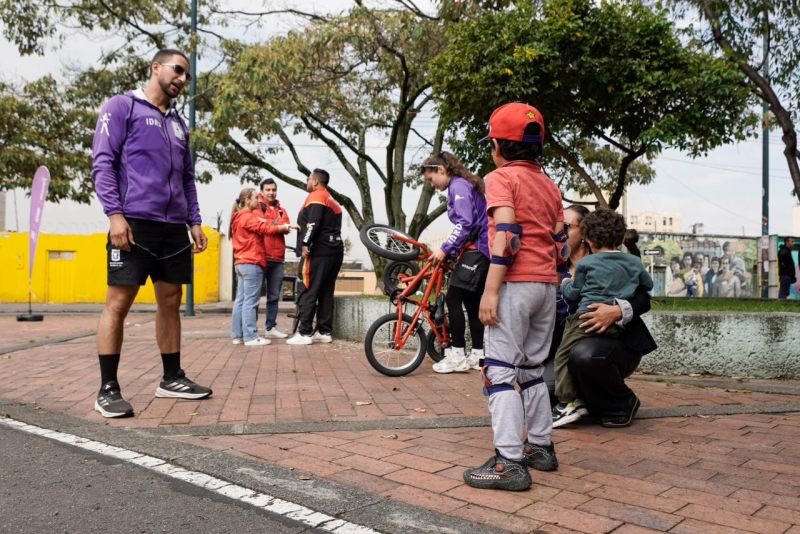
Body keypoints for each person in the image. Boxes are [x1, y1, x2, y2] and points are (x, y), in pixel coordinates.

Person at [91, 49, 211, 418]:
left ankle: (171, 378)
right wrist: (114, 215)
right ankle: (108, 389)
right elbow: (102, 163)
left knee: (171, 300)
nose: (182, 79)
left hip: (173, 227)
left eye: (187, 75)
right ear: (155, 67)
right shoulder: (122, 107)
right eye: (178, 70)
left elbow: (186, 178)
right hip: (133, 222)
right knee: (119, 302)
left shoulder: (178, 124)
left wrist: (194, 221)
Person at [462, 102, 564, 492]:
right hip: (546, 285)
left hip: (514, 284)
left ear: (499, 146)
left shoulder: (500, 178)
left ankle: (509, 461)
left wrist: (491, 290)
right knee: (532, 369)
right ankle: (540, 447)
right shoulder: (549, 184)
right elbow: (560, 244)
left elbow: (505, 233)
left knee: (499, 370)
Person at [551, 209, 653, 427]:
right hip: (580, 337)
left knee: (579, 355)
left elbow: (644, 298)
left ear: (585, 236)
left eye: (566, 226)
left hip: (611, 342)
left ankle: (616, 404)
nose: (559, 231)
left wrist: (617, 310)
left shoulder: (585, 265)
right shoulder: (632, 262)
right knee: (539, 393)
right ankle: (581, 402)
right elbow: (648, 283)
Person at [421, 151, 490, 374]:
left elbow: (465, 223)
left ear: (441, 170)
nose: (431, 184)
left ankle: (457, 355)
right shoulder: (461, 184)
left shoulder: (457, 186)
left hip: (477, 249)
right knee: (471, 303)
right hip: (480, 249)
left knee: (453, 298)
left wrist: (444, 248)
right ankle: (478, 355)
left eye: (431, 179)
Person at [229, 187, 297, 346]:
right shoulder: (248, 217)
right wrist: (285, 227)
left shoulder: (238, 217)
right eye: (255, 198)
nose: (258, 200)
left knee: (241, 300)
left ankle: (237, 335)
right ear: (247, 200)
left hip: (240, 262)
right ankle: (250, 336)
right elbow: (265, 228)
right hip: (252, 262)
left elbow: (263, 224)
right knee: (250, 301)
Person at [287, 169, 344, 345]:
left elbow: (313, 223)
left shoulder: (316, 196)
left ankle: (304, 333)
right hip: (335, 251)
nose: (307, 181)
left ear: (316, 181)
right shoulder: (331, 199)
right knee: (326, 291)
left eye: (308, 179)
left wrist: (305, 243)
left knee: (308, 288)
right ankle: (324, 331)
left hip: (318, 251)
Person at [256, 178, 294, 338]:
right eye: (268, 190)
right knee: (254, 297)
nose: (271, 193)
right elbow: (260, 227)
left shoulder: (281, 210)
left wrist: (270, 224)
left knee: (273, 297)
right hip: (260, 257)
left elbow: (286, 226)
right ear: (262, 191)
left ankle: (270, 328)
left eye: (273, 190)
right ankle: (250, 330)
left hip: (278, 259)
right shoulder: (256, 207)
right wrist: (277, 225)